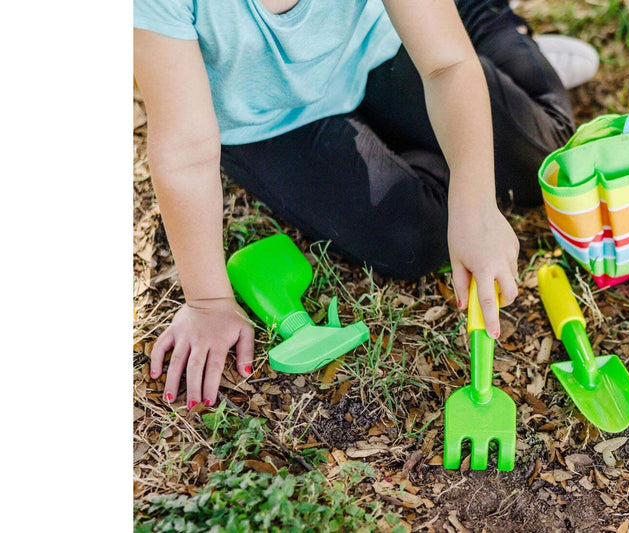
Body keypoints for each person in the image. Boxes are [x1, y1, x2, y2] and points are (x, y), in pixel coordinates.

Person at [133, 0, 599, 410]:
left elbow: (446, 67)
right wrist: (209, 300)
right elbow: (186, 150)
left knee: (543, 162)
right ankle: (437, 125)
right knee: (417, 238)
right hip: (263, 114)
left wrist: (474, 201)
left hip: (375, 44)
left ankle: (480, 16)